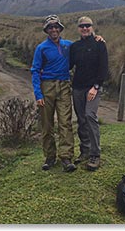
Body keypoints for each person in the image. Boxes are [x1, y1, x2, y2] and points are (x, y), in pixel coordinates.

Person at [31, 14, 76, 172]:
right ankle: (50, 157)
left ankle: (66, 157)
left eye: (56, 26)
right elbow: (35, 71)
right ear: (47, 30)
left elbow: (84, 47)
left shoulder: (68, 45)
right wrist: (38, 94)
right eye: (50, 27)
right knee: (47, 124)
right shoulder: (41, 48)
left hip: (64, 86)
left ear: (60, 28)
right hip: (47, 87)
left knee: (65, 122)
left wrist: (96, 38)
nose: (54, 29)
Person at [69, 16, 108, 171]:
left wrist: (96, 86)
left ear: (92, 27)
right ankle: (84, 150)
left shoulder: (100, 44)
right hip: (77, 87)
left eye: (88, 26)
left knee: (90, 115)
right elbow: (69, 64)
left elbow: (104, 68)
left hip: (93, 88)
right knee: (81, 119)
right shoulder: (75, 47)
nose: (85, 28)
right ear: (78, 29)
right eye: (82, 26)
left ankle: (95, 154)